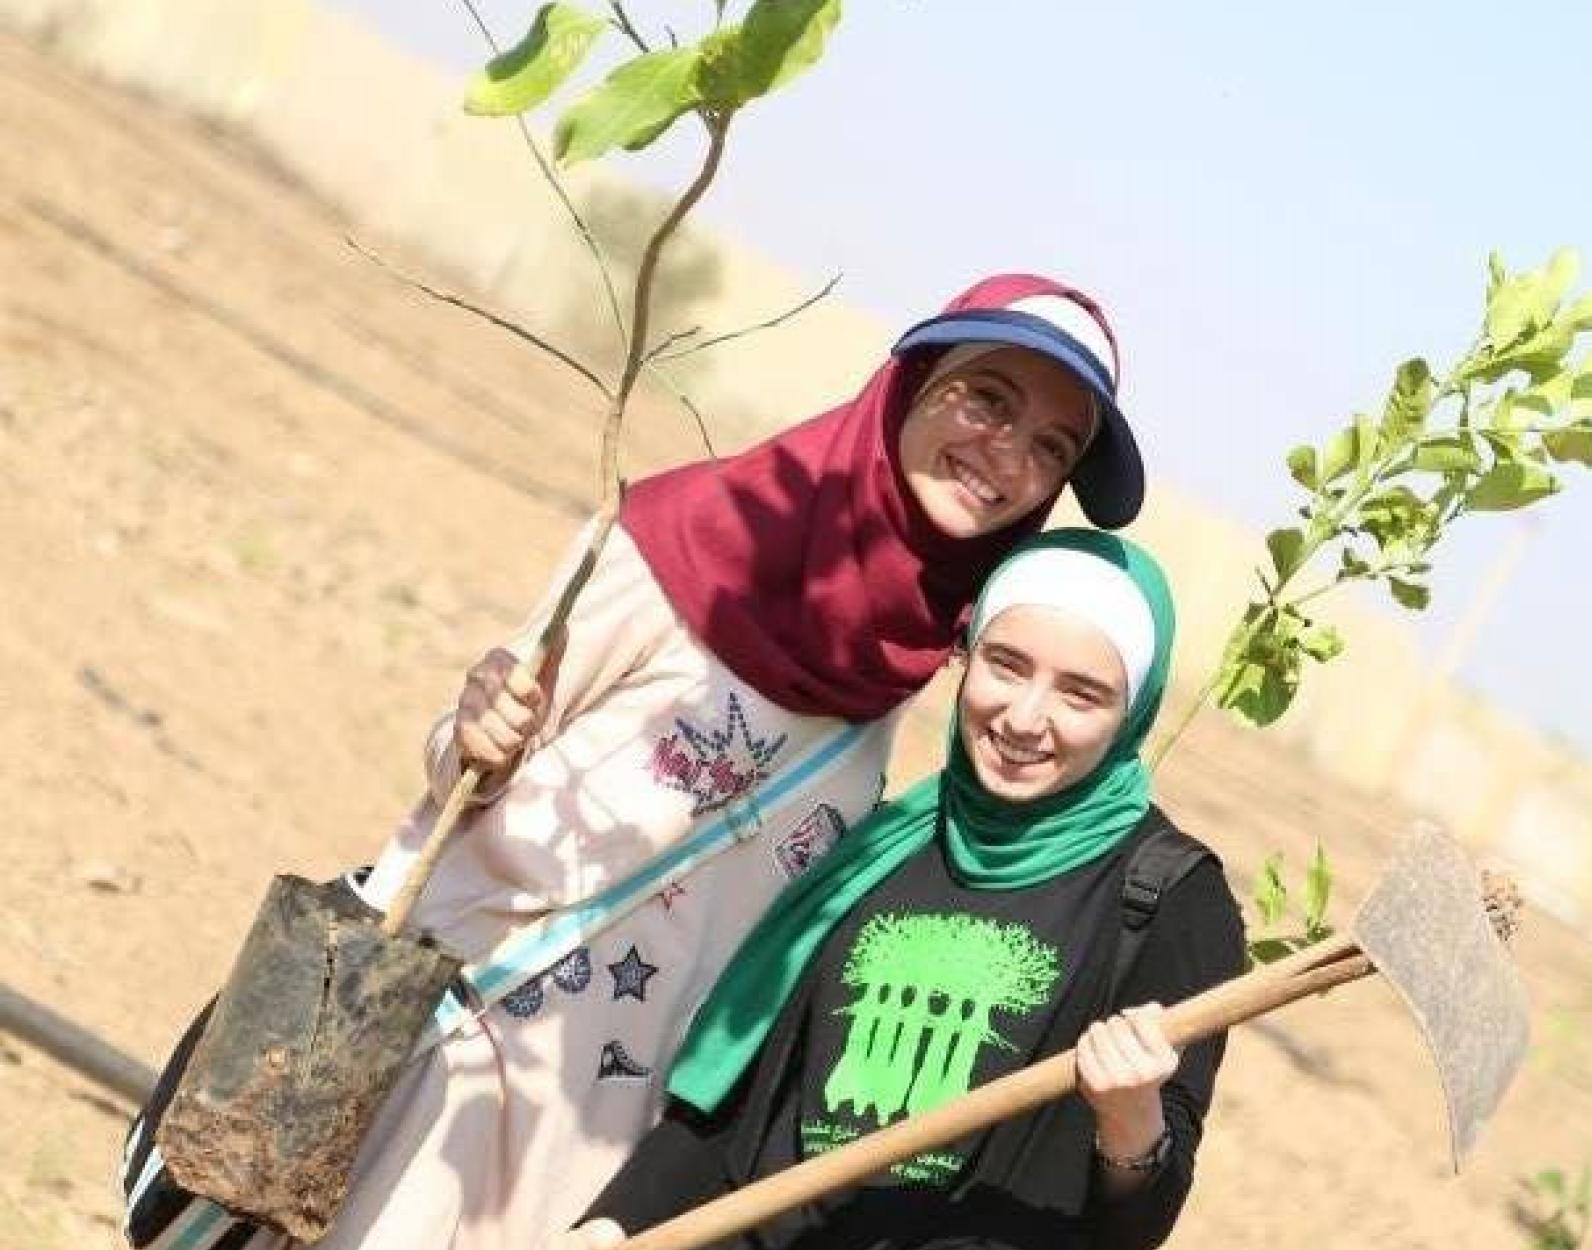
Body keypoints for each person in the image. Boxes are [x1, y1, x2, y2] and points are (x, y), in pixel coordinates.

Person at [121, 276, 1148, 1250]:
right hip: (452, 1059)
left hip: (609, 1139)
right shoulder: (680, 537)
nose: (1006, 451)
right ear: (909, 385)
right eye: (986, 398)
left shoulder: (909, 663)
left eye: (1049, 444)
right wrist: (479, 730)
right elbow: (465, 755)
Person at [561, 530, 1246, 1250]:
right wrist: (614, 1224)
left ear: (1131, 715)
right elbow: (737, 1109)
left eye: (1081, 694)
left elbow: (1137, 1227)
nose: (1023, 718)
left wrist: (1130, 1119)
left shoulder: (1169, 897)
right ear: (967, 656)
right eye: (1006, 666)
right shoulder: (880, 845)